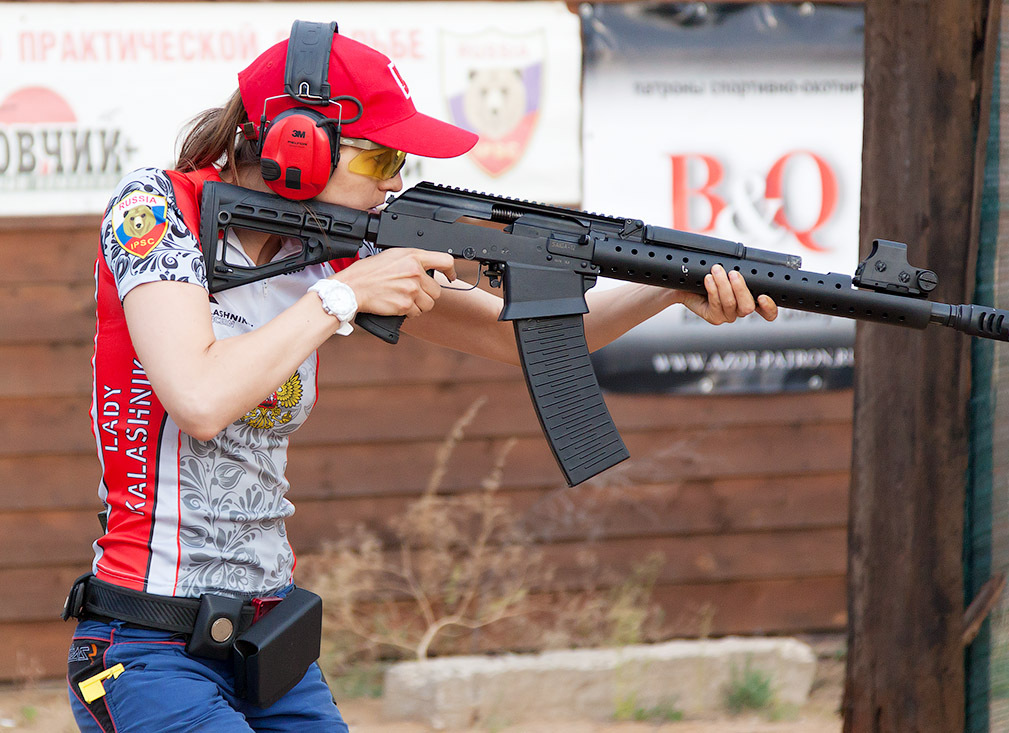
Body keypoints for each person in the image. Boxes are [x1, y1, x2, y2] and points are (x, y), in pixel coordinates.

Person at [61, 21, 778, 732]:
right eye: (379, 160)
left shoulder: (329, 250)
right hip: (147, 645)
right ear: (294, 144)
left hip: (265, 641)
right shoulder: (157, 211)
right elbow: (200, 397)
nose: (397, 182)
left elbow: (542, 338)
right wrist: (343, 295)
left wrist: (670, 288)